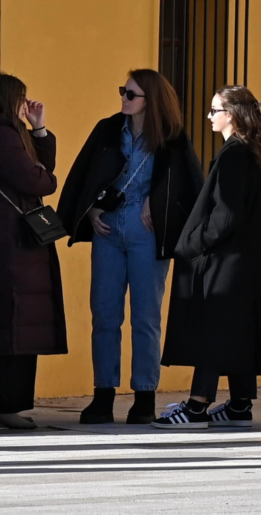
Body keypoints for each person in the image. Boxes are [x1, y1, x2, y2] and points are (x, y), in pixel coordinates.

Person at [57, 69, 203, 424]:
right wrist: (89, 209)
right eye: (124, 91)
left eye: (131, 94)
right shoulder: (108, 129)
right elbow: (84, 174)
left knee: (146, 317)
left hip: (146, 233)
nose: (124, 98)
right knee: (105, 314)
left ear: (150, 101)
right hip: (108, 229)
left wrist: (158, 202)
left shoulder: (171, 138)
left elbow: (188, 186)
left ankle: (144, 397)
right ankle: (103, 395)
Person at [153, 86, 261, 429]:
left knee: (212, 328)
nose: (209, 117)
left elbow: (226, 216)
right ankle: (239, 405)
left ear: (230, 115)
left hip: (226, 257)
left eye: (214, 110)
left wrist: (193, 244)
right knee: (237, 327)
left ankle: (196, 406)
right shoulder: (246, 151)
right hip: (242, 256)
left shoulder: (235, 154)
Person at [0, 73, 67, 429]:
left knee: (8, 323)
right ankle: (0, 404)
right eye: (21, 99)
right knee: (9, 324)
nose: (26, 105)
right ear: (8, 99)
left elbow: (38, 170)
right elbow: (40, 180)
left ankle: (3, 403)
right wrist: (42, 169)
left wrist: (38, 131)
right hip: (7, 247)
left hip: (1, 242)